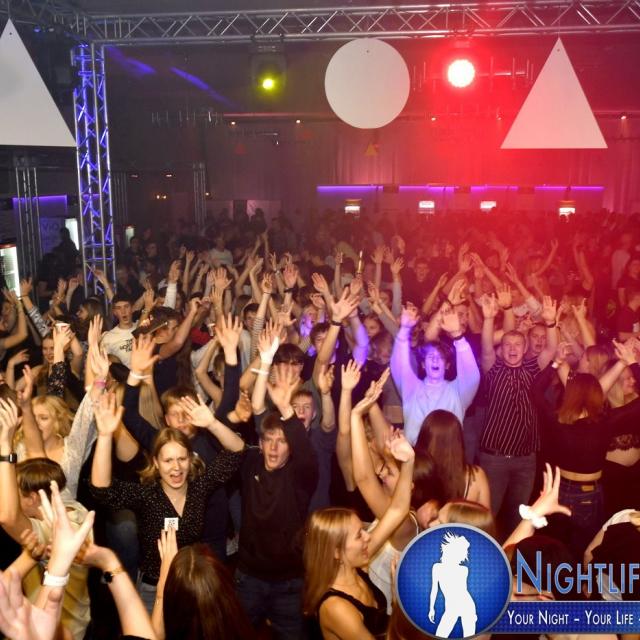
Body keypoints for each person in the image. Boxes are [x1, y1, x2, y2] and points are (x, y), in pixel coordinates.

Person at [89, 392, 244, 611]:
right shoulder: (147, 495)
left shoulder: (199, 488)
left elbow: (237, 451)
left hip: (190, 584)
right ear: (156, 463)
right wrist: (105, 436)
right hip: (153, 589)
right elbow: (102, 491)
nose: (176, 467)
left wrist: (212, 423)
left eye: (182, 459)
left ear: (190, 460)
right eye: (168, 460)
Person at [531, 339, 640, 558]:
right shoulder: (605, 422)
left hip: (560, 490)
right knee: (581, 549)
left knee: (556, 546)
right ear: (596, 395)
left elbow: (535, 390)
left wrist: (555, 363)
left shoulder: (558, 420)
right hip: (586, 493)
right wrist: (633, 364)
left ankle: (555, 578)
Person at [303, 431, 414, 640]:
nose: (367, 537)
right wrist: (397, 598)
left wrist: (408, 462)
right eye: (358, 535)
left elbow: (397, 511)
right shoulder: (336, 608)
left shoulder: (354, 563)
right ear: (336, 551)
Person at [477, 292, 558, 536]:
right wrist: (489, 319)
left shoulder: (533, 368)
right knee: (488, 515)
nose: (512, 349)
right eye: (507, 345)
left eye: (517, 345)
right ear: (502, 350)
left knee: (519, 515)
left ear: (524, 349)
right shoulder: (494, 369)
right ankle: (485, 554)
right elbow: (486, 348)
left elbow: (551, 348)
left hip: (526, 459)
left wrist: (551, 322)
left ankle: (512, 554)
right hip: (495, 458)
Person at [391, 303, 480, 445]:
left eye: (441, 357)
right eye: (430, 356)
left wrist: (457, 336)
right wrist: (404, 330)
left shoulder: (457, 392)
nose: (435, 360)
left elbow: (471, 376)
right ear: (423, 365)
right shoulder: (412, 389)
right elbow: (398, 366)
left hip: (448, 455)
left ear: (447, 365)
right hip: (415, 456)